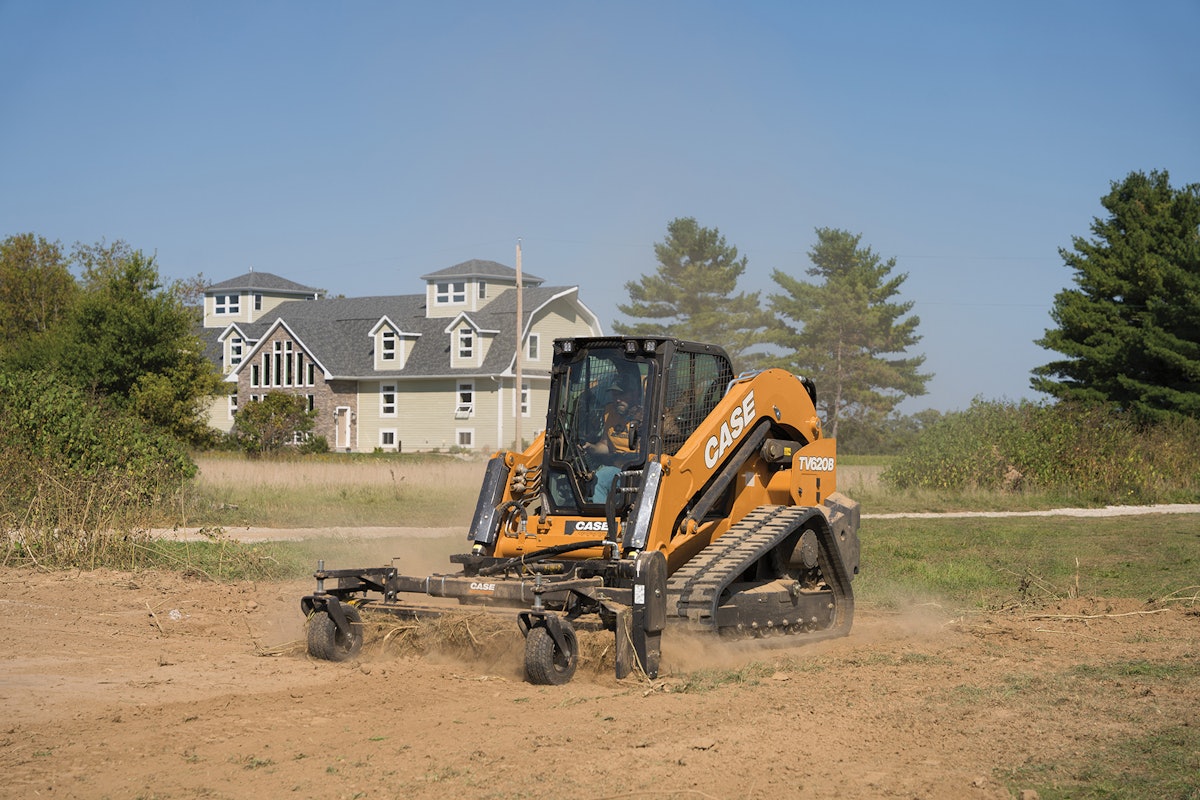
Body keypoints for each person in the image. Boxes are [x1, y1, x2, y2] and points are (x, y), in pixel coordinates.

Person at [582, 373, 643, 502]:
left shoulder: (646, 415)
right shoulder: (610, 412)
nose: (617, 399)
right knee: (597, 479)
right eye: (615, 395)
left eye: (622, 395)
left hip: (640, 469)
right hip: (617, 467)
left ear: (635, 395)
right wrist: (591, 447)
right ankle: (600, 519)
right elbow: (606, 446)